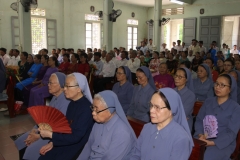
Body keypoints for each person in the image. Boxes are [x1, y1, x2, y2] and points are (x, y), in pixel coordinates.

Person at [38, 73, 94, 160]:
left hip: (78, 146)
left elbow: (76, 137)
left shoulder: (86, 109)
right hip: (67, 140)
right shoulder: (72, 103)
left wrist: (51, 135)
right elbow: (65, 127)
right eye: (64, 86)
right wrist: (52, 142)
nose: (64, 89)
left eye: (68, 86)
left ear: (79, 89)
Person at [14, 72, 70, 160]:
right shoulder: (54, 97)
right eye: (48, 82)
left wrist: (38, 136)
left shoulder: (66, 101)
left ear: (61, 85)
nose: (48, 85)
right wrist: (33, 130)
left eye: (51, 83)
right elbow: (44, 118)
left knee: (31, 149)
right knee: (21, 140)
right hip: (43, 129)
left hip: (53, 135)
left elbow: (59, 127)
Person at [130, 88, 194, 159]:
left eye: (157, 107)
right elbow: (135, 155)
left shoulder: (181, 139)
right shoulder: (147, 128)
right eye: (151, 105)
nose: (151, 110)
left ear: (171, 111)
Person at [78, 90, 136, 159]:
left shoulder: (122, 132)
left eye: (97, 110)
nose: (93, 113)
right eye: (93, 108)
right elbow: (88, 146)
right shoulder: (98, 123)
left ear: (110, 110)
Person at [194, 74, 240, 160]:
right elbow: (199, 120)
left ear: (230, 89)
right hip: (203, 137)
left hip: (223, 143)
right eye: (216, 84)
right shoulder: (208, 102)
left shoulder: (236, 108)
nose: (218, 87)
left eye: (222, 85)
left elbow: (231, 133)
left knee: (208, 156)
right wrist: (200, 134)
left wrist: (212, 142)